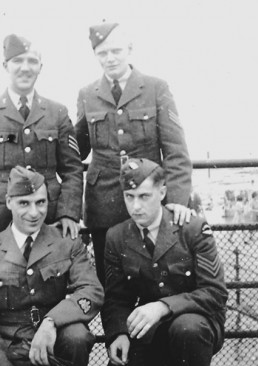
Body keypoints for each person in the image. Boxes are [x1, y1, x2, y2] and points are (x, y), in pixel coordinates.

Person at [0, 166, 104, 366]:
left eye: (41, 203)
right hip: (7, 349)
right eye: (24, 203)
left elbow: (91, 290)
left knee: (77, 336)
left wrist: (51, 323)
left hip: (53, 342)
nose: (34, 213)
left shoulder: (66, 242)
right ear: (9, 202)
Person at [100, 158, 233, 366]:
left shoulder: (192, 228)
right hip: (149, 331)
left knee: (187, 329)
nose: (136, 206)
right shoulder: (116, 237)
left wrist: (163, 307)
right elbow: (116, 298)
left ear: (162, 192)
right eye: (129, 196)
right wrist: (118, 333)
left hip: (195, 326)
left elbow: (215, 293)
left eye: (144, 196)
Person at [75, 22, 192, 285]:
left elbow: (176, 149)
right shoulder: (87, 94)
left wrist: (176, 199)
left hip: (150, 201)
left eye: (116, 51)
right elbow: (76, 149)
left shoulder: (155, 88)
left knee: (156, 277)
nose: (110, 58)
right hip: (104, 205)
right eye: (102, 53)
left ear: (129, 49)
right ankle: (116, 328)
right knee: (110, 283)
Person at [0, 34, 83, 251]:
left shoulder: (58, 113)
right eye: (18, 61)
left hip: (49, 222)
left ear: (40, 67)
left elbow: (72, 170)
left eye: (32, 61)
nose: (25, 68)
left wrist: (68, 213)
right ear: (5, 65)